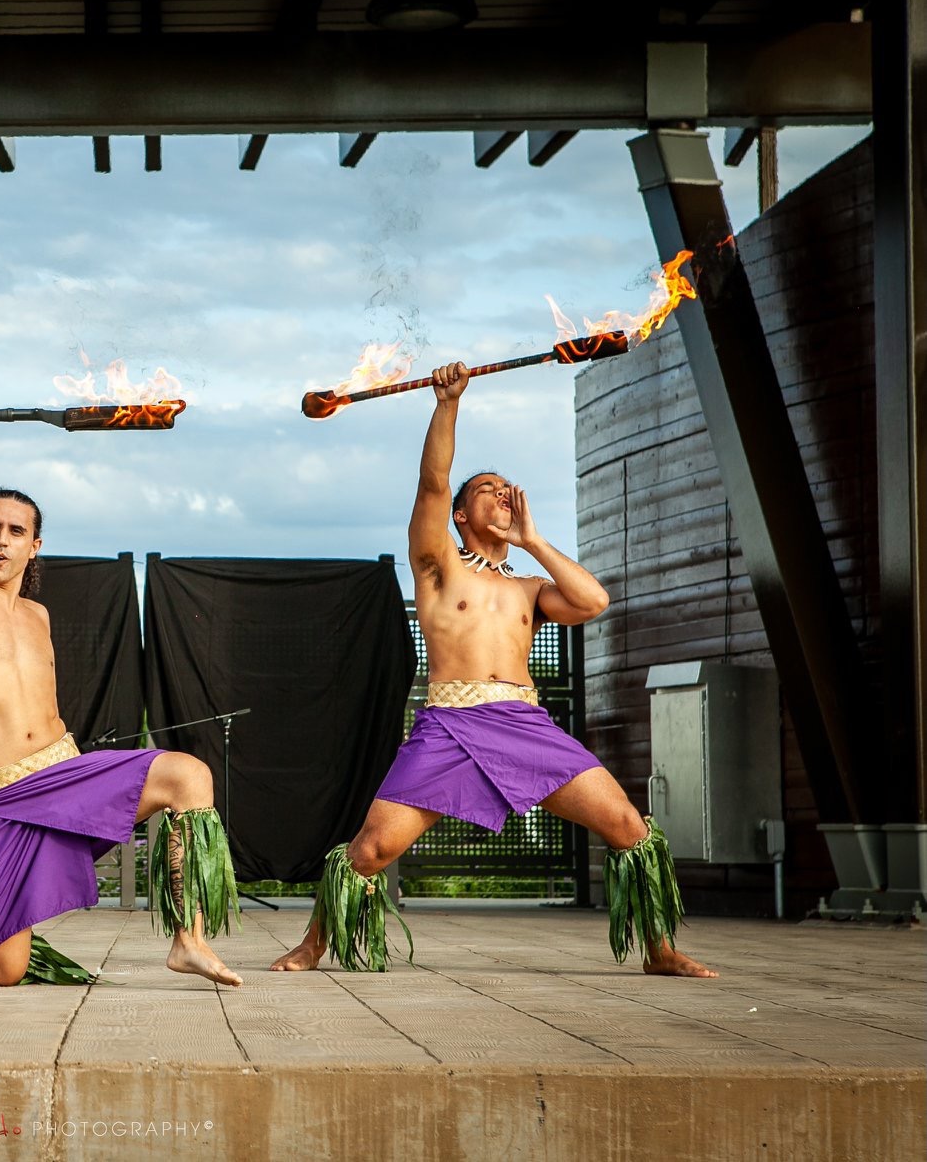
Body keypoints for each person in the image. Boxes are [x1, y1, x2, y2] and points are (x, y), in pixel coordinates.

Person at [270, 363, 715, 978]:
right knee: (370, 850)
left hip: (523, 722)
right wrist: (448, 403)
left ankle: (659, 949)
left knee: (628, 827)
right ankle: (312, 944)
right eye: (486, 488)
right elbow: (432, 483)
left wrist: (534, 541)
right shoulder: (439, 569)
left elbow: (592, 601)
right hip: (449, 725)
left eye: (508, 488)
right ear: (459, 515)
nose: (501, 493)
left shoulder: (533, 587)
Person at [0, 400, 241, 987]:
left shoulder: (37, 616)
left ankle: (188, 939)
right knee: (5, 971)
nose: (2, 541)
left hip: (63, 777)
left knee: (189, 777)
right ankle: (4, 930)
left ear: (34, 546)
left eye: (17, 531)